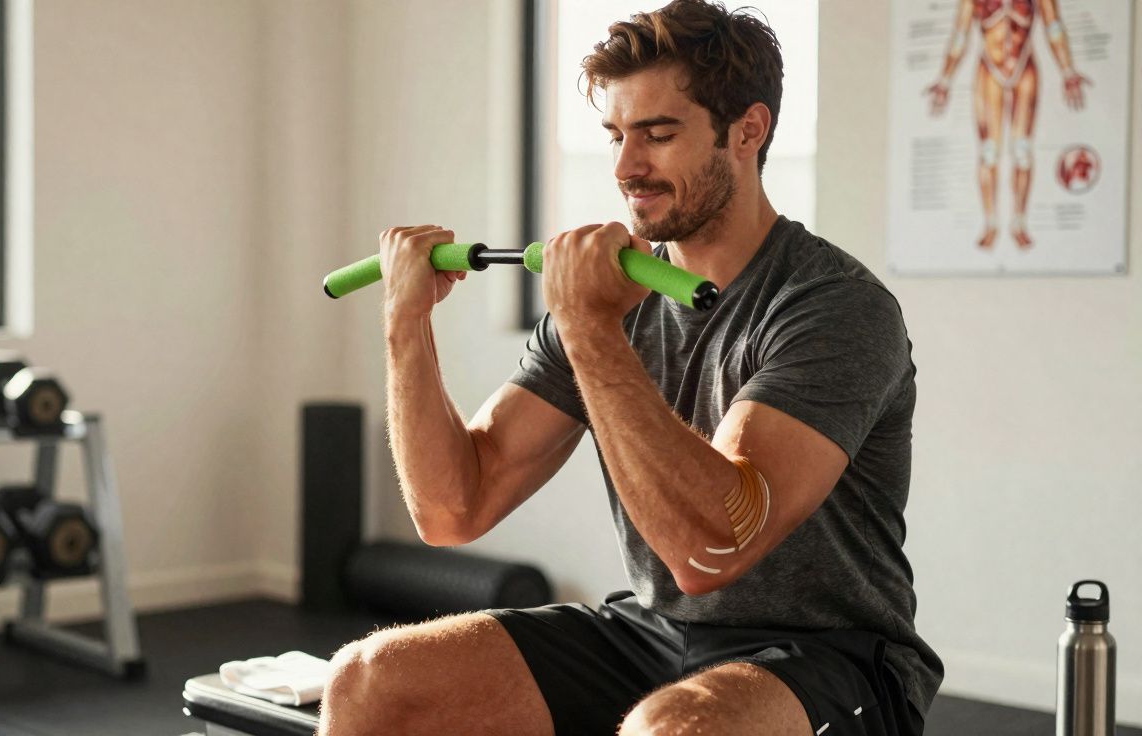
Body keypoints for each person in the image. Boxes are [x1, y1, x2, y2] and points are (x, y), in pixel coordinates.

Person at [319, 1, 943, 734]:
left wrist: (589, 327)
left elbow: (713, 549)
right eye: (617, 135)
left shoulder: (833, 307)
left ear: (748, 130)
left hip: (830, 655)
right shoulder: (610, 304)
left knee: (673, 731)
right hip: (657, 630)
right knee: (370, 682)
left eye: (658, 134)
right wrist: (406, 322)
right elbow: (454, 507)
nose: (625, 167)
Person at [926, 0, 1089, 249]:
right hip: (989, 70)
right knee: (989, 152)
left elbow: (1053, 26)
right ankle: (991, 224)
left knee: (1022, 152)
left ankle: (1019, 222)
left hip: (1025, 68)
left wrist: (1068, 71)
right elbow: (960, 34)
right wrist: (945, 79)